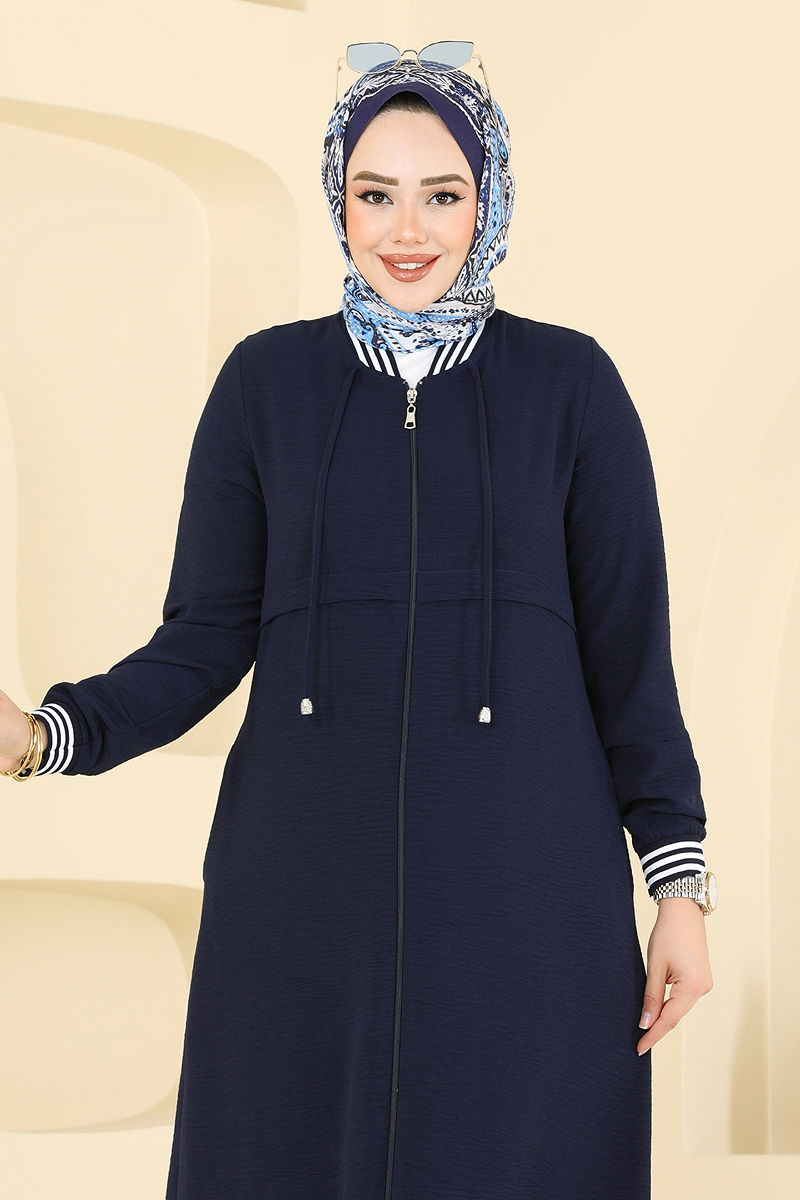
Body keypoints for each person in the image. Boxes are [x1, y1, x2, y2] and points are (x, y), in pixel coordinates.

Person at [1, 45, 716, 1200]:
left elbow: (630, 663)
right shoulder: (264, 387)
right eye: (374, 194)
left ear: (487, 200)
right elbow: (201, 640)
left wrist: (677, 891)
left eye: (442, 194)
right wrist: (48, 734)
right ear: (339, 198)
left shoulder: (570, 388)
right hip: (301, 889)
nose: (407, 230)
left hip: (527, 890)